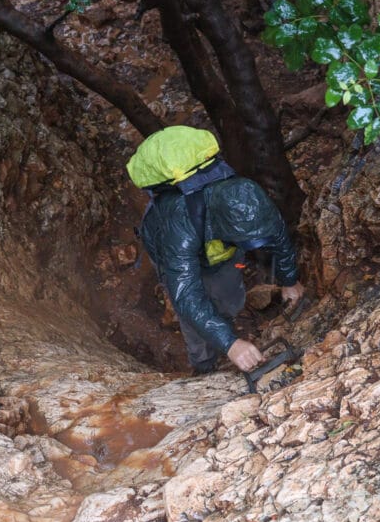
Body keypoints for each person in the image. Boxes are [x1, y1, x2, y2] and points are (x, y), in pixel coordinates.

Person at [128, 126, 304, 374]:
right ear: (221, 227)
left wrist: (289, 279)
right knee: (192, 318)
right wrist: (231, 344)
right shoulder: (179, 225)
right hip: (173, 249)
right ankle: (203, 365)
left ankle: (222, 323)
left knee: (227, 295)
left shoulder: (247, 195)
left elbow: (277, 235)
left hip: (214, 246)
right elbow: (186, 293)